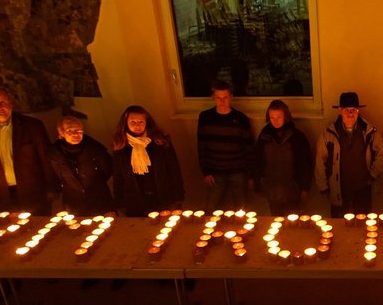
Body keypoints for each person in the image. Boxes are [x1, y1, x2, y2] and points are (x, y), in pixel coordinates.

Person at [0, 87, 58, 215]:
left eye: (3, 102)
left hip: (33, 192)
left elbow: (46, 159)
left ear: (11, 102)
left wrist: (52, 187)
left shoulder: (32, 126)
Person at [315, 92, 383, 217]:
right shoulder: (328, 134)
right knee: (339, 226)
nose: (350, 113)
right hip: (338, 188)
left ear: (358, 111)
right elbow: (320, 161)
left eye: (353, 110)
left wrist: (372, 175)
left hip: (362, 187)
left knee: (363, 225)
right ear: (340, 110)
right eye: (346, 110)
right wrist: (323, 188)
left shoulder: (368, 132)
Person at [112, 105, 184, 217]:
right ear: (125, 123)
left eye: (141, 122)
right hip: (136, 200)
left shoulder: (160, 142)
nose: (137, 126)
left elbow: (174, 170)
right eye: (133, 122)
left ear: (147, 122)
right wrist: (119, 202)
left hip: (162, 196)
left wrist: (177, 197)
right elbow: (118, 176)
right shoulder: (120, 146)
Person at [197, 81, 254, 211]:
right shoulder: (205, 117)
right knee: (211, 208)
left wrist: (250, 175)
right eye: (218, 98)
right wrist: (205, 171)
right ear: (213, 97)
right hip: (215, 171)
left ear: (231, 97)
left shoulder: (241, 119)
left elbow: (249, 148)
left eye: (225, 97)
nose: (222, 101)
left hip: (238, 171)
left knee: (241, 208)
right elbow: (201, 146)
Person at [251, 100, 313, 217]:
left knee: (293, 223)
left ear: (286, 116)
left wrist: (305, 187)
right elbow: (258, 160)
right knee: (276, 221)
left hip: (292, 190)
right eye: (272, 117)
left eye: (279, 117)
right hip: (271, 189)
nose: (275, 121)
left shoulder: (297, 137)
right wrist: (256, 182)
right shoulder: (264, 136)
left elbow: (306, 164)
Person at [47, 116, 115, 216]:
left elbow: (107, 168)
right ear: (61, 133)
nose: (75, 134)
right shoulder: (55, 153)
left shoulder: (94, 148)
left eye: (78, 130)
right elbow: (55, 175)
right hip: (74, 201)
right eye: (70, 130)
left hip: (99, 198)